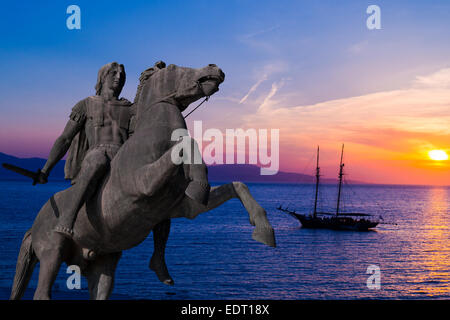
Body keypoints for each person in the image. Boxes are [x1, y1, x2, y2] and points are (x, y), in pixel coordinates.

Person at [37, 62, 135, 239]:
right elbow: (65, 138)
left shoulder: (130, 109)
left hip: (122, 158)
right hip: (97, 152)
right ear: (102, 77)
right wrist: (46, 170)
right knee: (98, 160)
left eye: (122, 74)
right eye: (113, 73)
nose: (119, 77)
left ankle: (158, 251)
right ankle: (67, 217)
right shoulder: (86, 104)